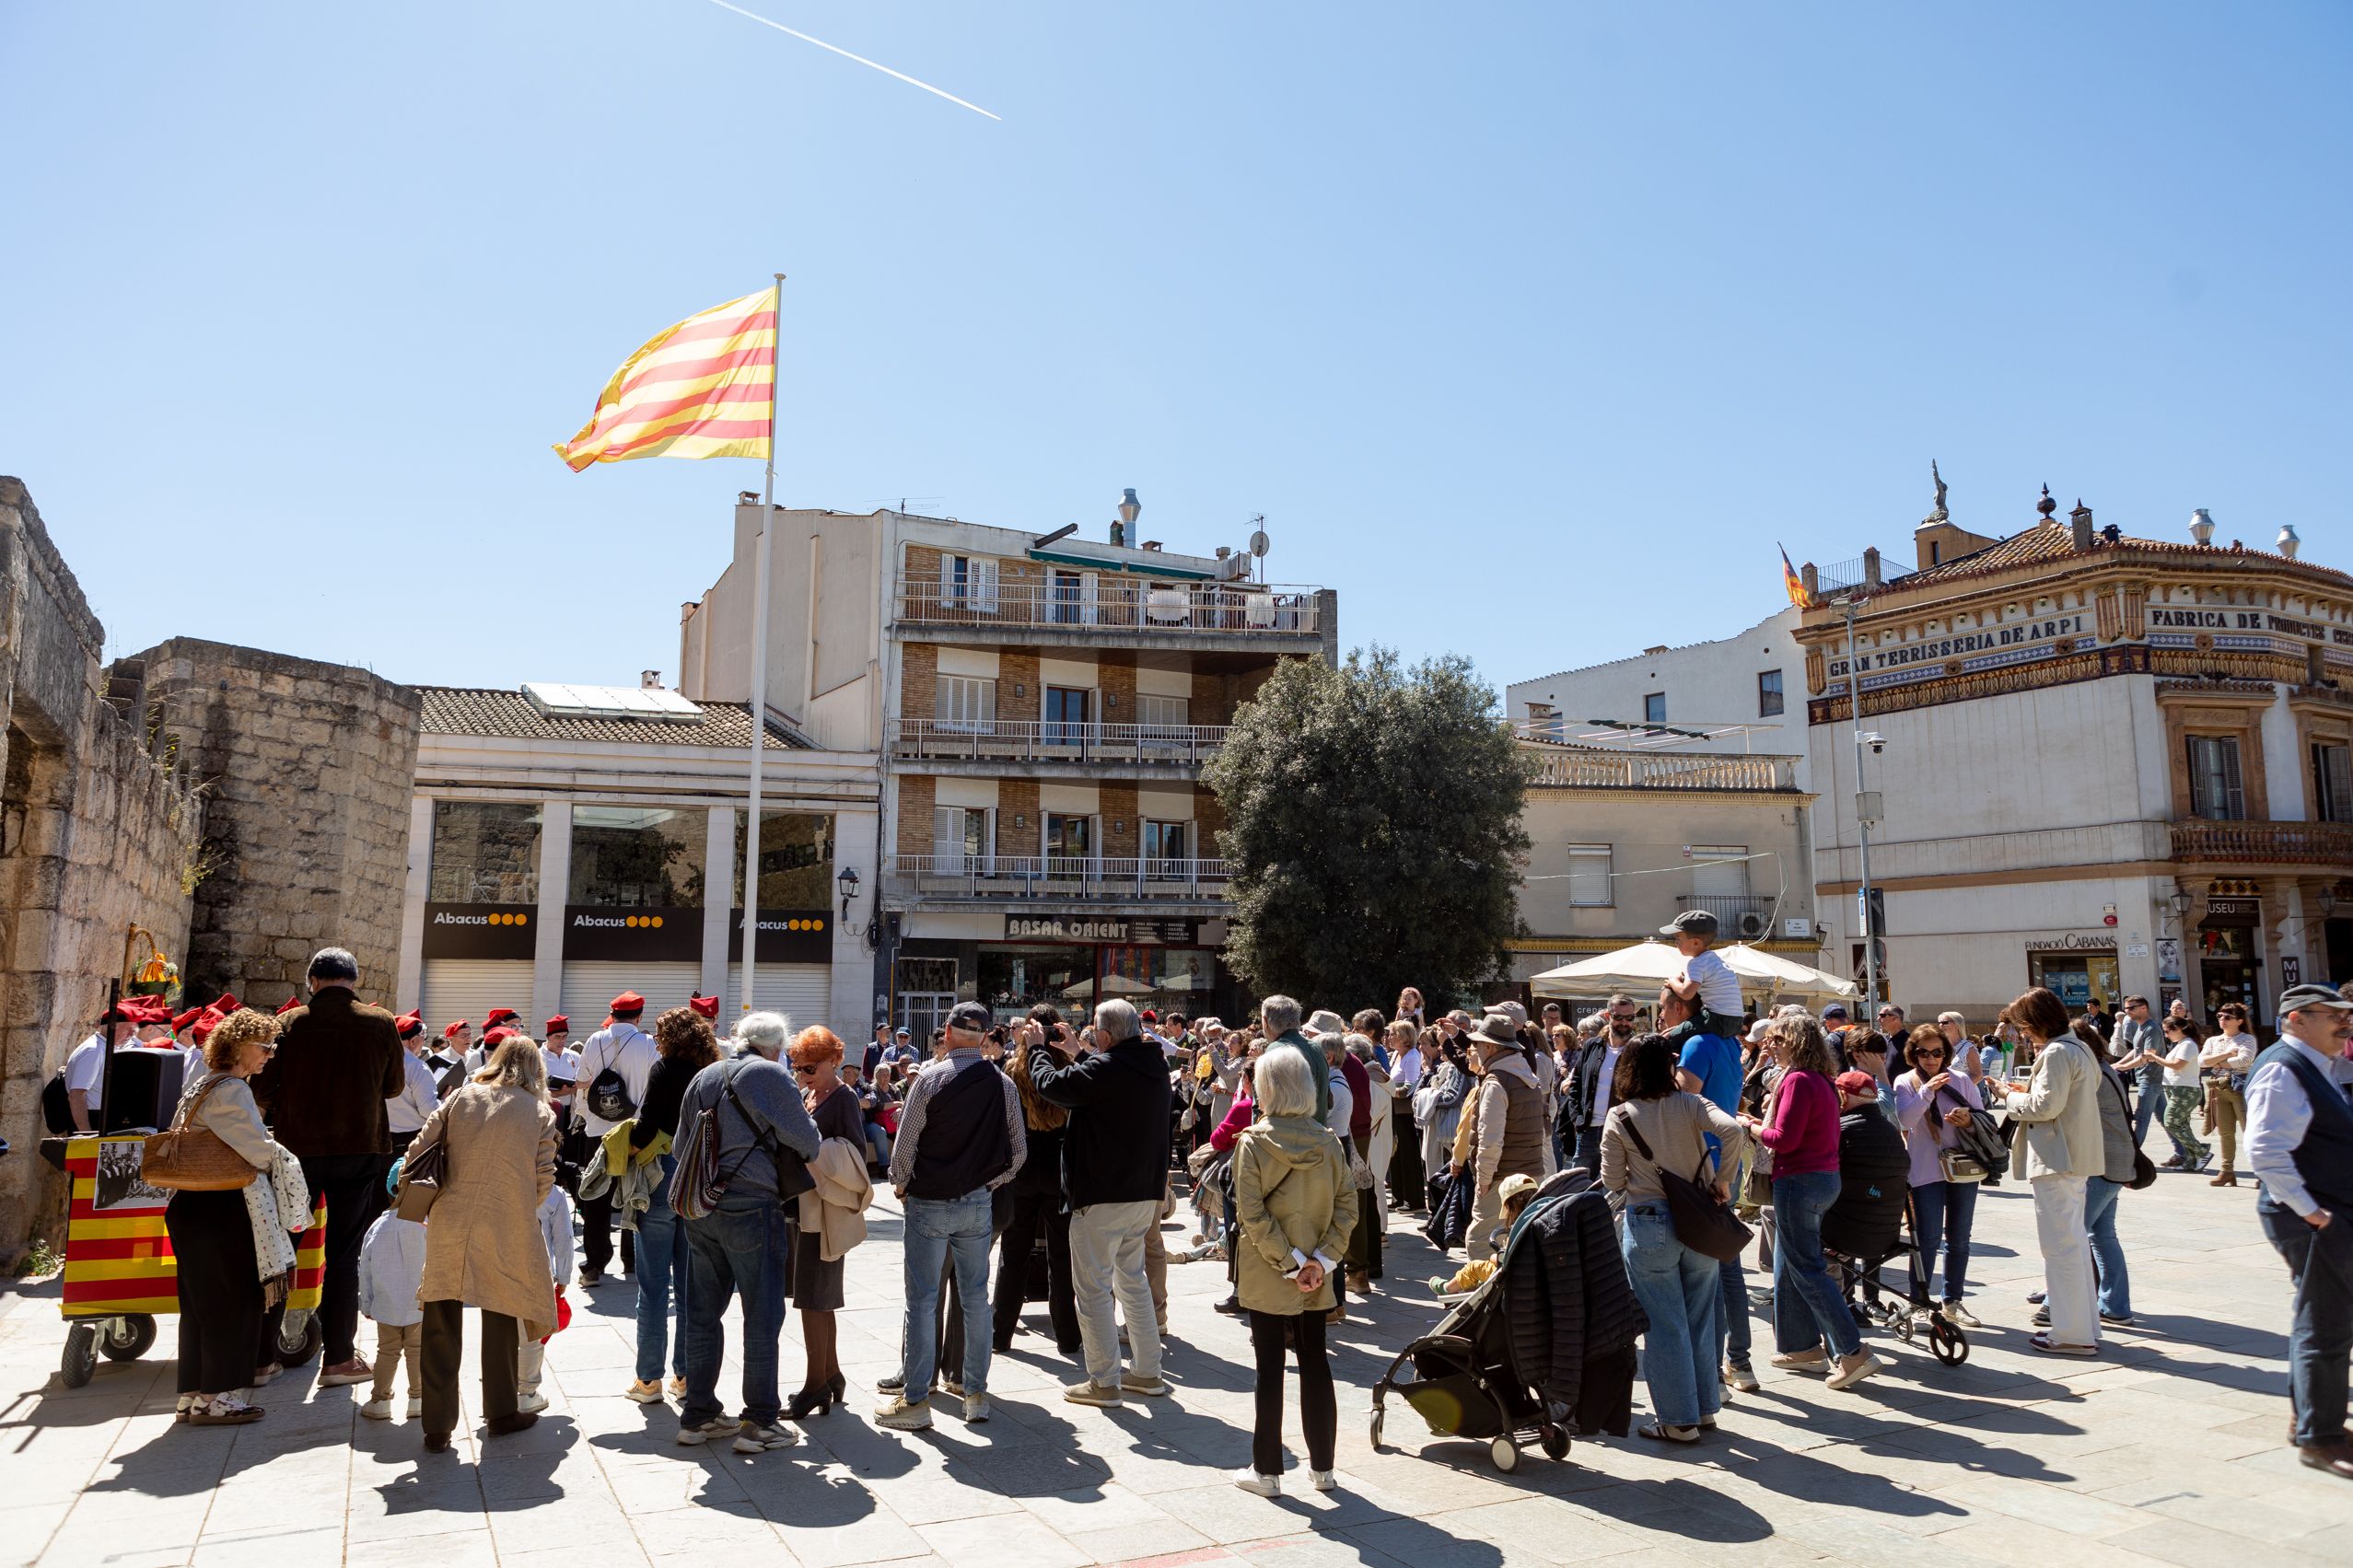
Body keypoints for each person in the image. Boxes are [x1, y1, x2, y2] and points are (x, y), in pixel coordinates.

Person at [251, 947, 405, 1391]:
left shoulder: (291, 1024)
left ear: (312, 981)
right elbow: (393, 1086)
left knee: (280, 1251)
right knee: (343, 1256)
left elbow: (264, 1084)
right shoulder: (379, 1023)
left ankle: (261, 1358)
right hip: (359, 1151)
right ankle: (338, 1358)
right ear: (353, 981)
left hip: (298, 1152)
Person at [1600, 1033, 1753, 1441]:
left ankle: (1678, 1419)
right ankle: (1703, 1410)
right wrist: (1723, 1180)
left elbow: (1612, 1180)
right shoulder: (1691, 1104)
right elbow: (1734, 1132)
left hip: (1649, 1221)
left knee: (1664, 1324)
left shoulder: (1622, 1116)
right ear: (1668, 1067)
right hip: (1700, 1220)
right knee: (1700, 1319)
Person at [410, 1034, 559, 1450]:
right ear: (536, 1069)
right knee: (502, 1309)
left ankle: (437, 1427)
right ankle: (500, 1412)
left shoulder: (461, 1097)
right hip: (506, 1219)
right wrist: (518, 1205)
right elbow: (543, 1176)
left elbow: (419, 1148)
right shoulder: (540, 1113)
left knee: (441, 1312)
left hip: (449, 1216)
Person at [879, 1001, 1024, 1430]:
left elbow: (905, 1146)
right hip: (976, 1201)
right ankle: (975, 1394)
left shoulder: (930, 1079)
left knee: (922, 1300)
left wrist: (900, 1183)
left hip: (929, 1199)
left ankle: (917, 1399)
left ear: (946, 1031)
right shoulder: (1001, 1085)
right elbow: (1018, 1154)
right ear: (983, 1037)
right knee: (976, 1298)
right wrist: (986, 1185)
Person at [1030, 997, 1171, 1408]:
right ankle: (1147, 1372)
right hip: (1143, 1194)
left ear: (1106, 1036)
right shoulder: (1153, 1064)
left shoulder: (1107, 1069)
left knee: (1091, 1289)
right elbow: (1105, 1076)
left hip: (1102, 1195)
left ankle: (1104, 1381)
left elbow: (1054, 1086)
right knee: (1132, 1281)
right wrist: (1079, 1051)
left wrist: (1039, 1049)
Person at [1229, 1045, 1355, 1497]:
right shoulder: (1327, 1141)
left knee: (1269, 1368)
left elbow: (1251, 1214)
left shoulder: (1254, 1141)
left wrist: (1293, 1263)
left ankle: (1267, 1472)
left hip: (1271, 1270)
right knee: (1316, 1362)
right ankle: (1323, 1469)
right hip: (1317, 1270)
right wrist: (1320, 1261)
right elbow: (1347, 1207)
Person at [163, 1008, 295, 1426]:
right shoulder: (233, 1089)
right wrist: (279, 1153)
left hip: (190, 1204)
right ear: (239, 1048)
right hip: (221, 1206)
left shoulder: (201, 1084)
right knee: (232, 1301)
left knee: (199, 1305)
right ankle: (217, 1396)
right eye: (265, 1046)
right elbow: (256, 1151)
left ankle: (193, 1394)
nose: (270, 1055)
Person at [2243, 982, 2353, 1478]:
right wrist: (2314, 1214)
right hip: (2312, 1216)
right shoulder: (2284, 1069)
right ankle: (2320, 1437)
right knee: (2326, 1322)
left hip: (2322, 1212)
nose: (2343, 1022)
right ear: (2296, 1019)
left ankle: (2309, 1417)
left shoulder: (2316, 1065)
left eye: (2345, 1013)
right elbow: (2265, 1152)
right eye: (2332, 1014)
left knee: (2322, 1315)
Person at [1748, 1017, 1878, 1389]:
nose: (1771, 1046)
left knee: (1806, 1268)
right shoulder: (1821, 1079)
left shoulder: (1796, 1079)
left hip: (1799, 1180)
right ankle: (1801, 1347)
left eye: (1776, 1039)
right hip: (1823, 1178)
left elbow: (1782, 1140)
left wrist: (1749, 1125)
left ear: (1794, 1042)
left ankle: (1853, 1353)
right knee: (1790, 1263)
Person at [623, 1005, 719, 1404]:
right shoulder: (711, 1073)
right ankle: (684, 1376)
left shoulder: (664, 1070)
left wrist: (625, 1146)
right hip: (697, 1181)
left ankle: (648, 1381)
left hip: (662, 1177)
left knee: (653, 1284)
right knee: (689, 1287)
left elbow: (646, 1128)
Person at [2003, 986, 2105, 1357]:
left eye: (2025, 1028)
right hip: (2073, 1158)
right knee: (2073, 1245)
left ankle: (2071, 1334)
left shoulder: (2059, 1051)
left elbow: (2045, 1106)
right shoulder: (2078, 1047)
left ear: (2037, 1022)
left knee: (2061, 1248)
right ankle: (2082, 1326)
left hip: (2057, 1159)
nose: (2025, 1035)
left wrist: (2008, 1096)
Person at [786, 1025, 868, 1417]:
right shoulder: (808, 1094)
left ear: (835, 1060)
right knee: (818, 1300)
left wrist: (812, 1151)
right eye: (798, 1066)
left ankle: (815, 1384)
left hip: (825, 1213)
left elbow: (853, 1153)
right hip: (806, 1210)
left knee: (813, 1300)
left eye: (810, 1066)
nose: (802, 1073)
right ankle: (831, 1374)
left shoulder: (845, 1097)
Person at [994, 1016, 1082, 1359]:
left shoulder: (1013, 1070)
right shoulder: (1068, 1071)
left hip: (1023, 1164)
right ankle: (1068, 1337)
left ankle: (1000, 1334)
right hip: (1058, 1163)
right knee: (1061, 1254)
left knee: (1013, 1253)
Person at [1892, 1024, 1986, 1325]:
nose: (1931, 1059)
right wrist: (1926, 1091)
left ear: (1945, 1053)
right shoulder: (1905, 1082)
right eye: (1924, 1053)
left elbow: (1983, 1119)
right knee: (1927, 1238)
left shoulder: (1960, 1080)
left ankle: (1953, 1301)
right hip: (1925, 1170)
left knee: (1959, 1238)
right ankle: (1918, 1301)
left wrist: (1967, 1120)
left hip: (1962, 1168)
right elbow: (1905, 1119)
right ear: (1913, 1053)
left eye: (1937, 1053)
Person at [576, 992, 658, 1287]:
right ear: (639, 1017)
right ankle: (631, 1260)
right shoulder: (648, 1043)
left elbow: (582, 1083)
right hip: (634, 1130)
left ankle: (594, 1264)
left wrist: (591, 1117)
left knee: (595, 1197)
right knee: (634, 1195)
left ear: (612, 1015)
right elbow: (654, 1088)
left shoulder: (593, 1040)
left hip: (598, 1132)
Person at [1458, 1012, 1548, 1262]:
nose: (1474, 1049)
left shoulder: (1497, 1081)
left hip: (1502, 1176)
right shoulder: (1527, 1076)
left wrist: (1484, 1179)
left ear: (1489, 1046)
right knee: (1518, 1242)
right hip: (1530, 1172)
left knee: (1480, 1243)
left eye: (1477, 1044)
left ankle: (1489, 1299)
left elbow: (1490, 1138)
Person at [357, 1159, 425, 1422]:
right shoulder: (425, 1226)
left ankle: (380, 1400)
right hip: (419, 1304)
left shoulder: (377, 1227)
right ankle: (418, 1399)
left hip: (385, 1305)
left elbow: (366, 1269)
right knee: (417, 1350)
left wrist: (367, 1304)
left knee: (387, 1351)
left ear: (389, 1190)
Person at [516, 1167, 576, 1415]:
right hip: (537, 1271)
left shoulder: (504, 1182)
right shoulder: (554, 1194)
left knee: (502, 1332)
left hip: (500, 1268)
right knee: (531, 1335)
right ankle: (527, 1392)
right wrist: (563, 1275)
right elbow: (564, 1238)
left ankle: (500, 1383)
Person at [1567, 995, 1638, 1175]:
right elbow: (1576, 1082)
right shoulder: (1592, 1046)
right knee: (1580, 1187)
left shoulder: (1638, 1049)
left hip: (1620, 1131)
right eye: (1619, 1017)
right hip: (1588, 1130)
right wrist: (1577, 1118)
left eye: (1629, 1018)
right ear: (1608, 1016)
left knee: (1613, 1192)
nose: (1625, 1022)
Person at [2201, 1002, 2258, 1188]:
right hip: (2218, 1088)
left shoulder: (2247, 1039)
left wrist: (2216, 1062)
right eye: (2219, 1016)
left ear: (2239, 1021)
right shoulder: (2213, 1041)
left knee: (2249, 1131)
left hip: (2239, 1087)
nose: (2222, 1020)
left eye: (2227, 1017)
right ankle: (2227, 1171)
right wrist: (2225, 1055)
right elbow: (2202, 1061)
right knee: (2225, 1132)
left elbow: (2244, 1060)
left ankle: (2262, 1172)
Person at [1413, 1027, 1469, 1210]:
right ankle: (1436, 1214)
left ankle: (1443, 1215)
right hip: (1436, 1127)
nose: (1440, 1050)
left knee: (1447, 1176)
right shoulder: (1440, 1068)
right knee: (1434, 1171)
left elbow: (1453, 1096)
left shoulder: (1457, 1069)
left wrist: (1430, 1097)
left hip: (1448, 1130)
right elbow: (1418, 1093)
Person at [2152, 1014, 2214, 1173]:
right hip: (2176, 1088)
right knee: (2182, 1125)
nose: (2166, 1035)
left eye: (2167, 1031)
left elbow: (2177, 1065)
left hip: (2185, 1090)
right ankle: (2191, 1161)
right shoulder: (2180, 1044)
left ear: (2178, 1029)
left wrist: (2155, 1058)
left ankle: (2201, 1150)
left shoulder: (2188, 1044)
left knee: (2171, 1121)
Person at [1661, 910, 1742, 1029]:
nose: (1675, 943)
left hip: (1717, 1019)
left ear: (1695, 942)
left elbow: (1686, 994)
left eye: (1678, 938)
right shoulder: (1715, 960)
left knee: (1674, 1035)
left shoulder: (1697, 963)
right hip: (1737, 1020)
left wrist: (1673, 982)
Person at [1256, 994, 1330, 1125]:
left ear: (1265, 1021)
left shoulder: (1275, 1050)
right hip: (1319, 1136)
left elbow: (1262, 1105)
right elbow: (1329, 1101)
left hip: (1288, 1140)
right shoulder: (1317, 1049)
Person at [2113, 996, 2169, 1155]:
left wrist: (2124, 1067)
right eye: (2126, 1008)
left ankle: (2131, 1156)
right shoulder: (2140, 1027)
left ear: (2143, 1008)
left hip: (2150, 1079)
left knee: (2142, 1119)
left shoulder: (2151, 1028)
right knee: (2166, 1120)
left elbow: (2147, 1056)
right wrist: (2118, 1064)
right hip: (2148, 1079)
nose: (2127, 1011)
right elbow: (2136, 1051)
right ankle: (2186, 1152)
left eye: (2131, 1008)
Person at [386, 1011, 441, 1162]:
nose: (424, 1043)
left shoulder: (377, 1061)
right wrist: (443, 1102)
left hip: (379, 1136)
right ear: (413, 1041)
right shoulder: (417, 1067)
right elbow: (427, 1110)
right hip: (407, 1138)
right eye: (424, 1039)